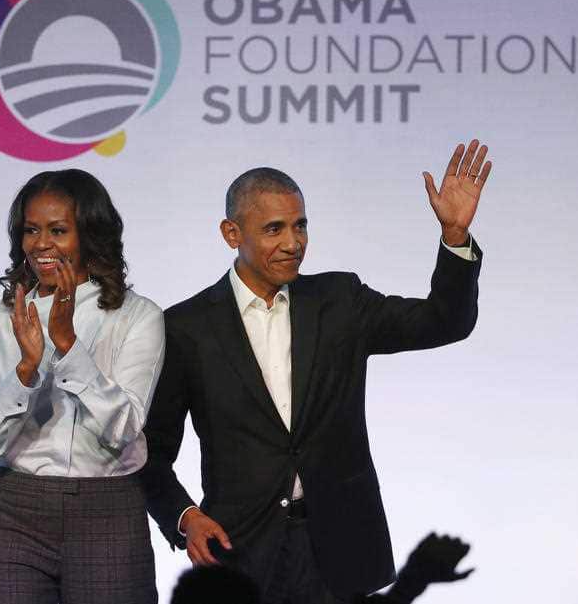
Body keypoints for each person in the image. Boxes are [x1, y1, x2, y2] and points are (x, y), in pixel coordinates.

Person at [142, 141, 491, 604]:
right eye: (274, 229)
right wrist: (185, 517)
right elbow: (149, 453)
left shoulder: (340, 301)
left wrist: (455, 237)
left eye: (300, 225)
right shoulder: (185, 327)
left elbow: (444, 322)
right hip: (241, 552)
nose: (293, 243)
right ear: (231, 233)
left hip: (340, 549)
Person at [0, 169, 164, 604]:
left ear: (90, 234)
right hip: (13, 511)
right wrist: (26, 371)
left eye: (57, 230)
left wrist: (68, 346)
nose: (41, 244)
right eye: (31, 230)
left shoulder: (137, 316)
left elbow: (125, 427)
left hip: (107, 510)